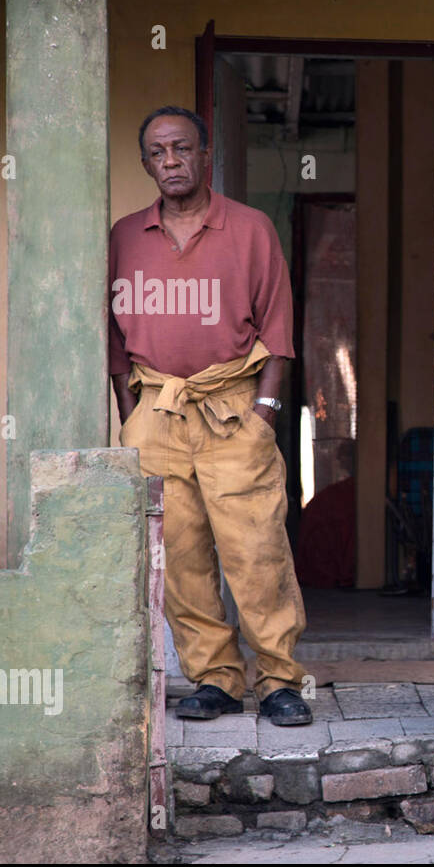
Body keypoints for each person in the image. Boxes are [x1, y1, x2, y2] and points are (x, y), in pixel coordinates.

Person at [109, 105, 312, 726]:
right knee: (180, 555)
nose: (170, 162)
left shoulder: (249, 229)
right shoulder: (123, 235)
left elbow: (278, 328)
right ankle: (216, 678)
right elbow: (114, 345)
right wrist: (131, 416)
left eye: (181, 149)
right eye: (157, 153)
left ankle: (278, 679)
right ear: (146, 164)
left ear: (205, 154)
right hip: (157, 413)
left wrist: (266, 413)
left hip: (233, 411)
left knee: (256, 549)